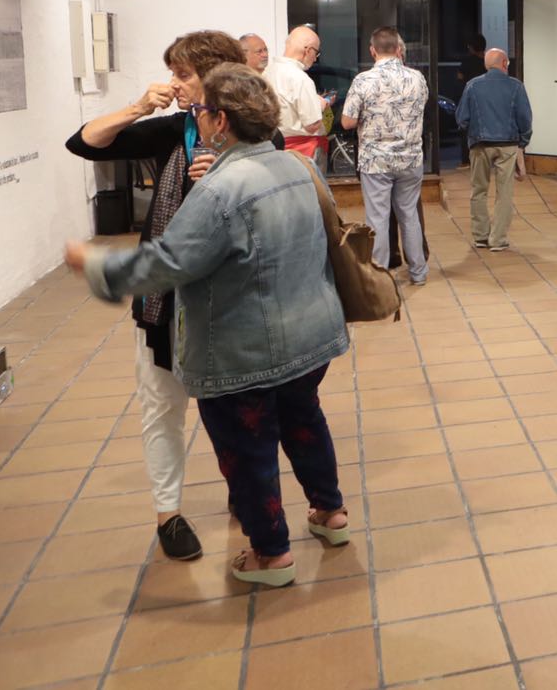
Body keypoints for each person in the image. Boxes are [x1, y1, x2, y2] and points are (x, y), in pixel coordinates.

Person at [66, 64, 351, 587]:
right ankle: (330, 515)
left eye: (200, 111)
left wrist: (97, 264)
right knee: (305, 425)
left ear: (220, 121)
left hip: (247, 350)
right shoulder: (296, 166)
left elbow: (167, 264)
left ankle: (271, 556)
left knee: (249, 450)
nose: (195, 117)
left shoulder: (220, 189)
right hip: (311, 335)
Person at [64, 30, 277, 561]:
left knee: (237, 411)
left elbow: (268, 214)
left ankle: (241, 490)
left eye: (183, 75)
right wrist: (139, 107)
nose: (174, 84)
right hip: (164, 301)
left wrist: (225, 177)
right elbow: (84, 143)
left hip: (230, 304)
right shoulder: (171, 131)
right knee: (162, 407)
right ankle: (169, 514)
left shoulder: (258, 141)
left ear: (216, 79)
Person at [342, 26, 429, 286]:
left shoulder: (363, 81)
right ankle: (418, 272)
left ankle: (381, 277)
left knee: (378, 218)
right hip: (410, 159)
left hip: (376, 161)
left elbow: (347, 122)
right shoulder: (417, 78)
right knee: (409, 215)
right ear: (399, 49)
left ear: (372, 50)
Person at [456, 47, 532, 252]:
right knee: (504, 192)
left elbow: (462, 118)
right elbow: (525, 119)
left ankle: (481, 236)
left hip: (479, 144)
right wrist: (523, 142)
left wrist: (472, 133)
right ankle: (498, 239)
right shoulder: (516, 86)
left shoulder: (472, 85)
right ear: (505, 63)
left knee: (478, 190)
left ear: (486, 65)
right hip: (508, 145)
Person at [264, 26, 330, 163]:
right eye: (316, 53)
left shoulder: (266, 73)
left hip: (272, 149)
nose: (315, 59)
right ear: (308, 50)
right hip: (302, 151)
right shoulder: (300, 79)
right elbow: (312, 125)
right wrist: (321, 105)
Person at [455, 34, 488, 166]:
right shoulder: (488, 62)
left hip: (469, 100)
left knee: (466, 128)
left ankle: (466, 160)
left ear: (471, 47)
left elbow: (459, 79)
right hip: (485, 101)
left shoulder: (466, 62)